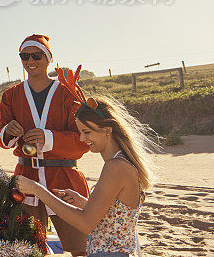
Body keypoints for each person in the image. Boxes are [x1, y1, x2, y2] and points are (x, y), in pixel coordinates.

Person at [16, 83, 157, 257]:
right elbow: (113, 216)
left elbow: (86, 223)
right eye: (80, 132)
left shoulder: (115, 167)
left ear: (107, 130)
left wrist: (37, 190)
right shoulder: (121, 163)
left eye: (87, 132)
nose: (82, 139)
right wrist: (83, 202)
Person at [0, 34, 90, 256]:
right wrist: (8, 132)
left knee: (80, 247)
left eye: (36, 55)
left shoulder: (68, 93)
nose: (30, 60)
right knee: (29, 249)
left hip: (64, 178)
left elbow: (83, 141)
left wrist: (48, 137)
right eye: (24, 56)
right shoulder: (10, 95)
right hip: (26, 178)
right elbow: (0, 137)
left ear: (48, 58)